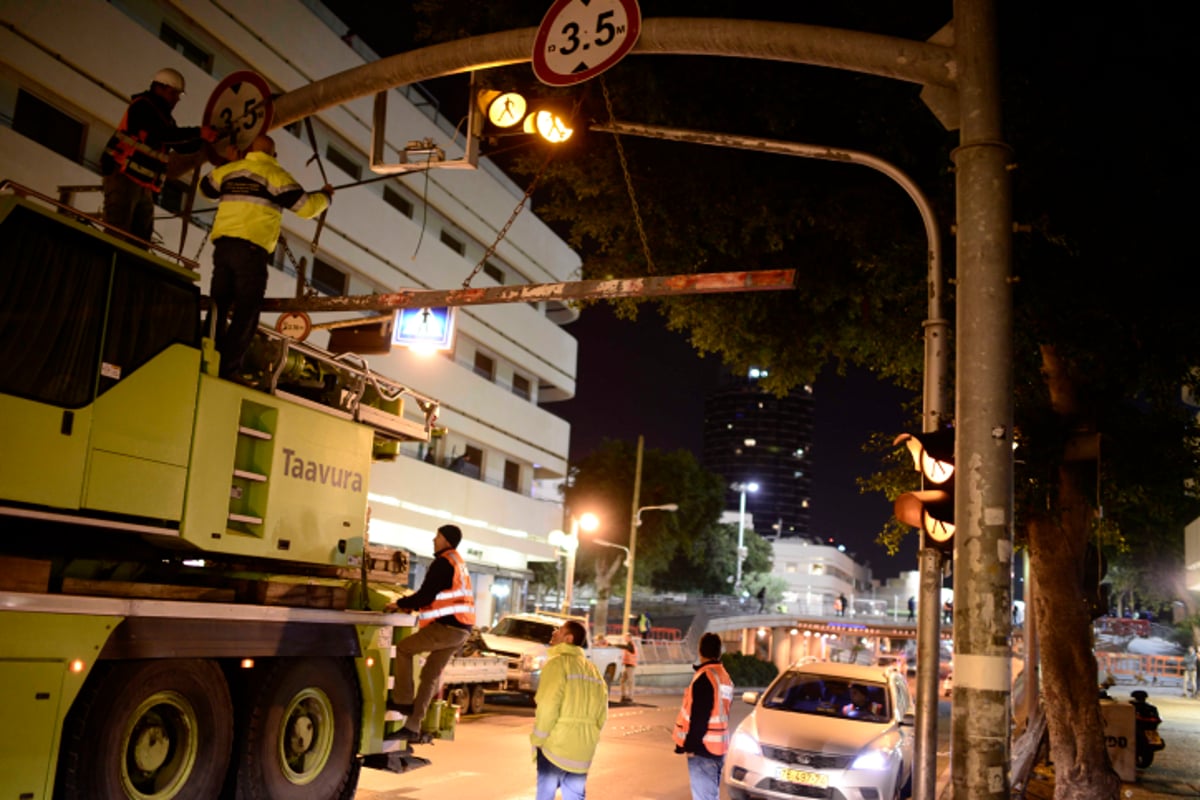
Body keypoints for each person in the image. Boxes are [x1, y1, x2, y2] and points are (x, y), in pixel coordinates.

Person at [199, 134, 332, 378]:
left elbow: (204, 189)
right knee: (247, 312)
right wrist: (326, 196)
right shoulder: (275, 175)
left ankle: (206, 359)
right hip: (251, 253)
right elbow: (307, 208)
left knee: (218, 307)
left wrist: (228, 164)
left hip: (223, 249)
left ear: (249, 150)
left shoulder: (230, 170)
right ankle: (228, 369)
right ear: (274, 155)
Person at [383, 524, 474, 743]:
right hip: (462, 630)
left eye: (438, 536)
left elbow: (425, 596)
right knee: (430, 675)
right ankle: (413, 727)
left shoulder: (443, 562)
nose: (434, 540)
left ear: (447, 541)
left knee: (404, 649)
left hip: (448, 628)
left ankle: (403, 700)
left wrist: (399, 604)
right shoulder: (457, 561)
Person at [101, 67, 212, 242]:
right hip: (124, 176)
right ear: (159, 88)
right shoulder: (143, 106)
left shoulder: (165, 118)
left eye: (178, 95)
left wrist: (206, 141)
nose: (176, 99)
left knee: (140, 239)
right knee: (117, 233)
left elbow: (181, 145)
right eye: (173, 93)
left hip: (144, 185)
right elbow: (163, 135)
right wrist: (199, 133)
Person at [530, 619, 608, 800]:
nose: (554, 632)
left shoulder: (557, 664)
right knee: (575, 796)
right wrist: (590, 737)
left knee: (545, 796)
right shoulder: (593, 670)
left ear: (569, 638)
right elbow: (602, 714)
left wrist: (538, 741)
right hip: (582, 751)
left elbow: (548, 706)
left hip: (555, 748)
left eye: (560, 630)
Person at [673, 632, 733, 800]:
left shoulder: (705, 677)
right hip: (718, 748)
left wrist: (690, 746)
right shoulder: (724, 677)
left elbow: (699, 716)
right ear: (719, 652)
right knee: (710, 796)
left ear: (700, 651)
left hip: (703, 749)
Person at [618, 633, 639, 703]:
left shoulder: (631, 645)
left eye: (626, 637)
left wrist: (614, 645)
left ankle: (630, 697)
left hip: (630, 665)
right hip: (627, 665)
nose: (625, 639)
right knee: (622, 681)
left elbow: (625, 647)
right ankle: (624, 695)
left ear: (630, 638)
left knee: (630, 681)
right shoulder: (629, 645)